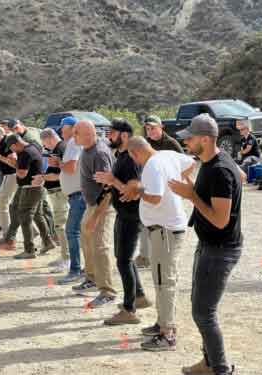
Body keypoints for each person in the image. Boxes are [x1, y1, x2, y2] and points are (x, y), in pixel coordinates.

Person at [169, 114, 243, 375]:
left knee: (204, 313)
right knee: (199, 307)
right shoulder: (214, 162)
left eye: (189, 138)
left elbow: (221, 220)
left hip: (219, 249)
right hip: (211, 246)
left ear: (205, 139)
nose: (185, 142)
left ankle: (220, 368)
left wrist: (192, 196)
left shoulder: (220, 170)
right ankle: (209, 363)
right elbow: (242, 176)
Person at [121, 136, 196, 351]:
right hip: (165, 230)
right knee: (162, 279)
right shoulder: (167, 155)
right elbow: (191, 163)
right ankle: (163, 322)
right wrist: (175, 183)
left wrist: (137, 189)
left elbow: (154, 197)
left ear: (135, 154)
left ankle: (167, 333)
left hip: (165, 231)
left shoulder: (153, 166)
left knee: (165, 282)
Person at [94, 119, 153, 325]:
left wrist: (112, 181)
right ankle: (139, 296)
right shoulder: (122, 156)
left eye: (112, 133)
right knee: (123, 258)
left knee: (123, 261)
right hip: (124, 213)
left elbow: (134, 191)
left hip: (131, 215)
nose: (109, 136)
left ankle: (129, 310)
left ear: (125, 136)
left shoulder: (131, 159)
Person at [71, 120, 117, 308]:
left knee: (100, 247)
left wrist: (96, 216)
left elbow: (109, 188)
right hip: (91, 205)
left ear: (88, 133)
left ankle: (107, 292)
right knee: (87, 240)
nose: (73, 136)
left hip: (102, 207)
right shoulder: (87, 149)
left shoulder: (99, 153)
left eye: (76, 133)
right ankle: (91, 278)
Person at [136, 115, 185, 269]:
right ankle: (144, 255)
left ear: (161, 126)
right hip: (150, 187)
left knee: (166, 224)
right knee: (145, 221)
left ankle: (164, 255)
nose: (150, 131)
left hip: (168, 191)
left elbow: (184, 165)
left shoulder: (171, 144)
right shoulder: (146, 144)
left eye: (153, 128)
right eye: (147, 129)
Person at [0, 134, 56, 259]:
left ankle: (29, 250)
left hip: (30, 188)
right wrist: (14, 162)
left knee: (25, 217)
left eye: (12, 148)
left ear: (15, 144)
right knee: (38, 215)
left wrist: (12, 163)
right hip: (36, 187)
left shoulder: (25, 153)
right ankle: (48, 242)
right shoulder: (32, 147)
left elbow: (22, 174)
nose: (12, 151)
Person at [56, 116, 86, 284]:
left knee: (72, 231)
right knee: (79, 233)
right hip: (77, 194)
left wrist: (58, 163)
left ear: (73, 128)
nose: (61, 131)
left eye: (63, 127)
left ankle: (75, 269)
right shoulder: (73, 143)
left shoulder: (74, 143)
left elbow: (71, 167)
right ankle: (83, 268)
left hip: (78, 195)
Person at [35, 128, 69, 272]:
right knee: (59, 225)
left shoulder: (60, 148)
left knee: (61, 225)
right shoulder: (59, 148)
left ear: (49, 138)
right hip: (56, 191)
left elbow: (59, 175)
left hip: (59, 191)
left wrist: (42, 178)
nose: (45, 147)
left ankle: (67, 258)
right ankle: (65, 256)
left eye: (44, 143)